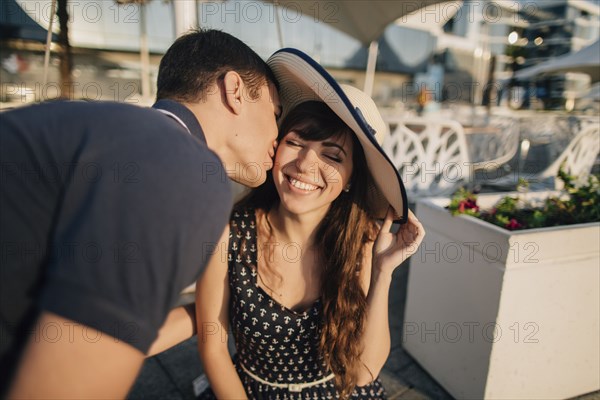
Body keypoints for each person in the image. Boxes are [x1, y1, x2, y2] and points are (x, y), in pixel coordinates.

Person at [0, 29, 281, 398]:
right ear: (235, 91)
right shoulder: (182, 167)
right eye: (275, 112)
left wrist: (223, 308)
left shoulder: (115, 134)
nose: (279, 134)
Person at [196, 48, 425, 399]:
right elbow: (213, 350)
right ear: (275, 147)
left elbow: (363, 373)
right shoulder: (229, 233)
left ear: (349, 179)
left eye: (332, 155)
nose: (305, 164)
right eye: (295, 142)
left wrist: (383, 272)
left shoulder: (357, 243)